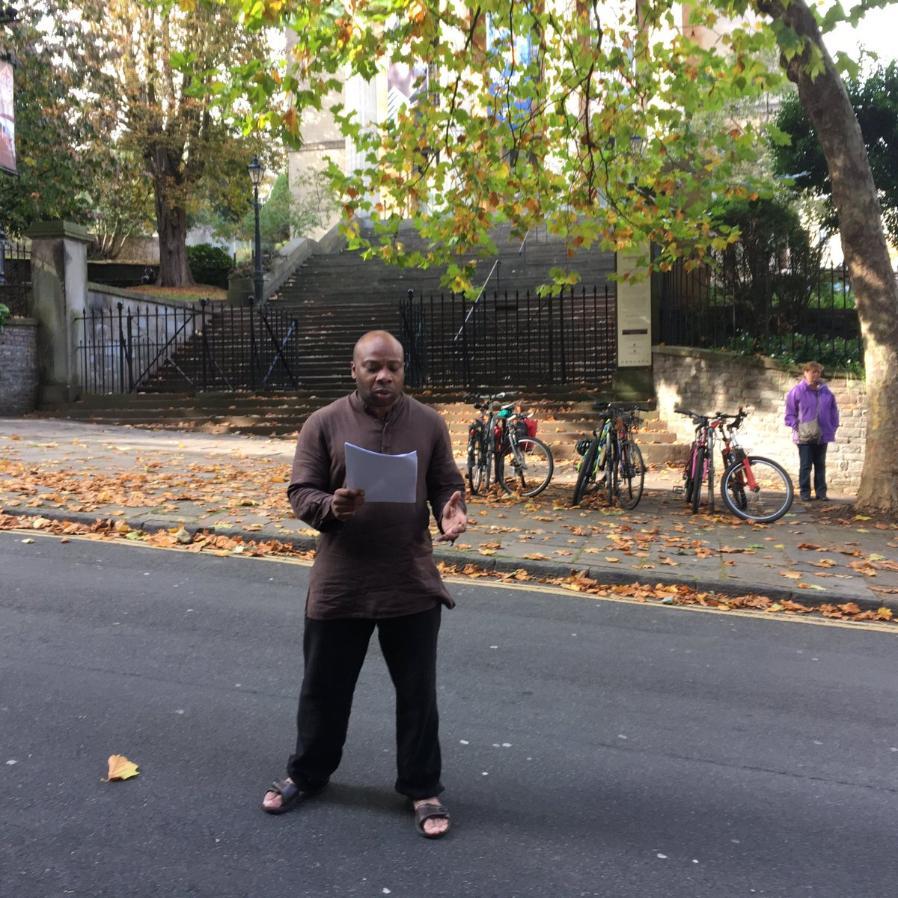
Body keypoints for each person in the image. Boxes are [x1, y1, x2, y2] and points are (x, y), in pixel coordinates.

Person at [261, 330, 467, 839]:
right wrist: (330, 506)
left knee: (418, 694)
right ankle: (307, 774)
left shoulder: (428, 423)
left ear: (403, 370)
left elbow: (446, 481)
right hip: (341, 583)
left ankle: (422, 787)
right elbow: (300, 491)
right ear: (353, 369)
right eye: (374, 366)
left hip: (409, 581)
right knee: (324, 690)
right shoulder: (323, 423)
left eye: (393, 367)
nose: (384, 376)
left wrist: (452, 508)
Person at [784, 360, 840, 501]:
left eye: (818, 372)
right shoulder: (797, 391)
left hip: (822, 434)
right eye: (813, 371)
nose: (816, 375)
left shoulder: (826, 392)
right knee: (806, 465)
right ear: (805, 373)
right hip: (804, 436)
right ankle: (805, 493)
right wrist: (798, 426)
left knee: (820, 465)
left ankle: (821, 493)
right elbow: (789, 414)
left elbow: (834, 411)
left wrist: (833, 426)